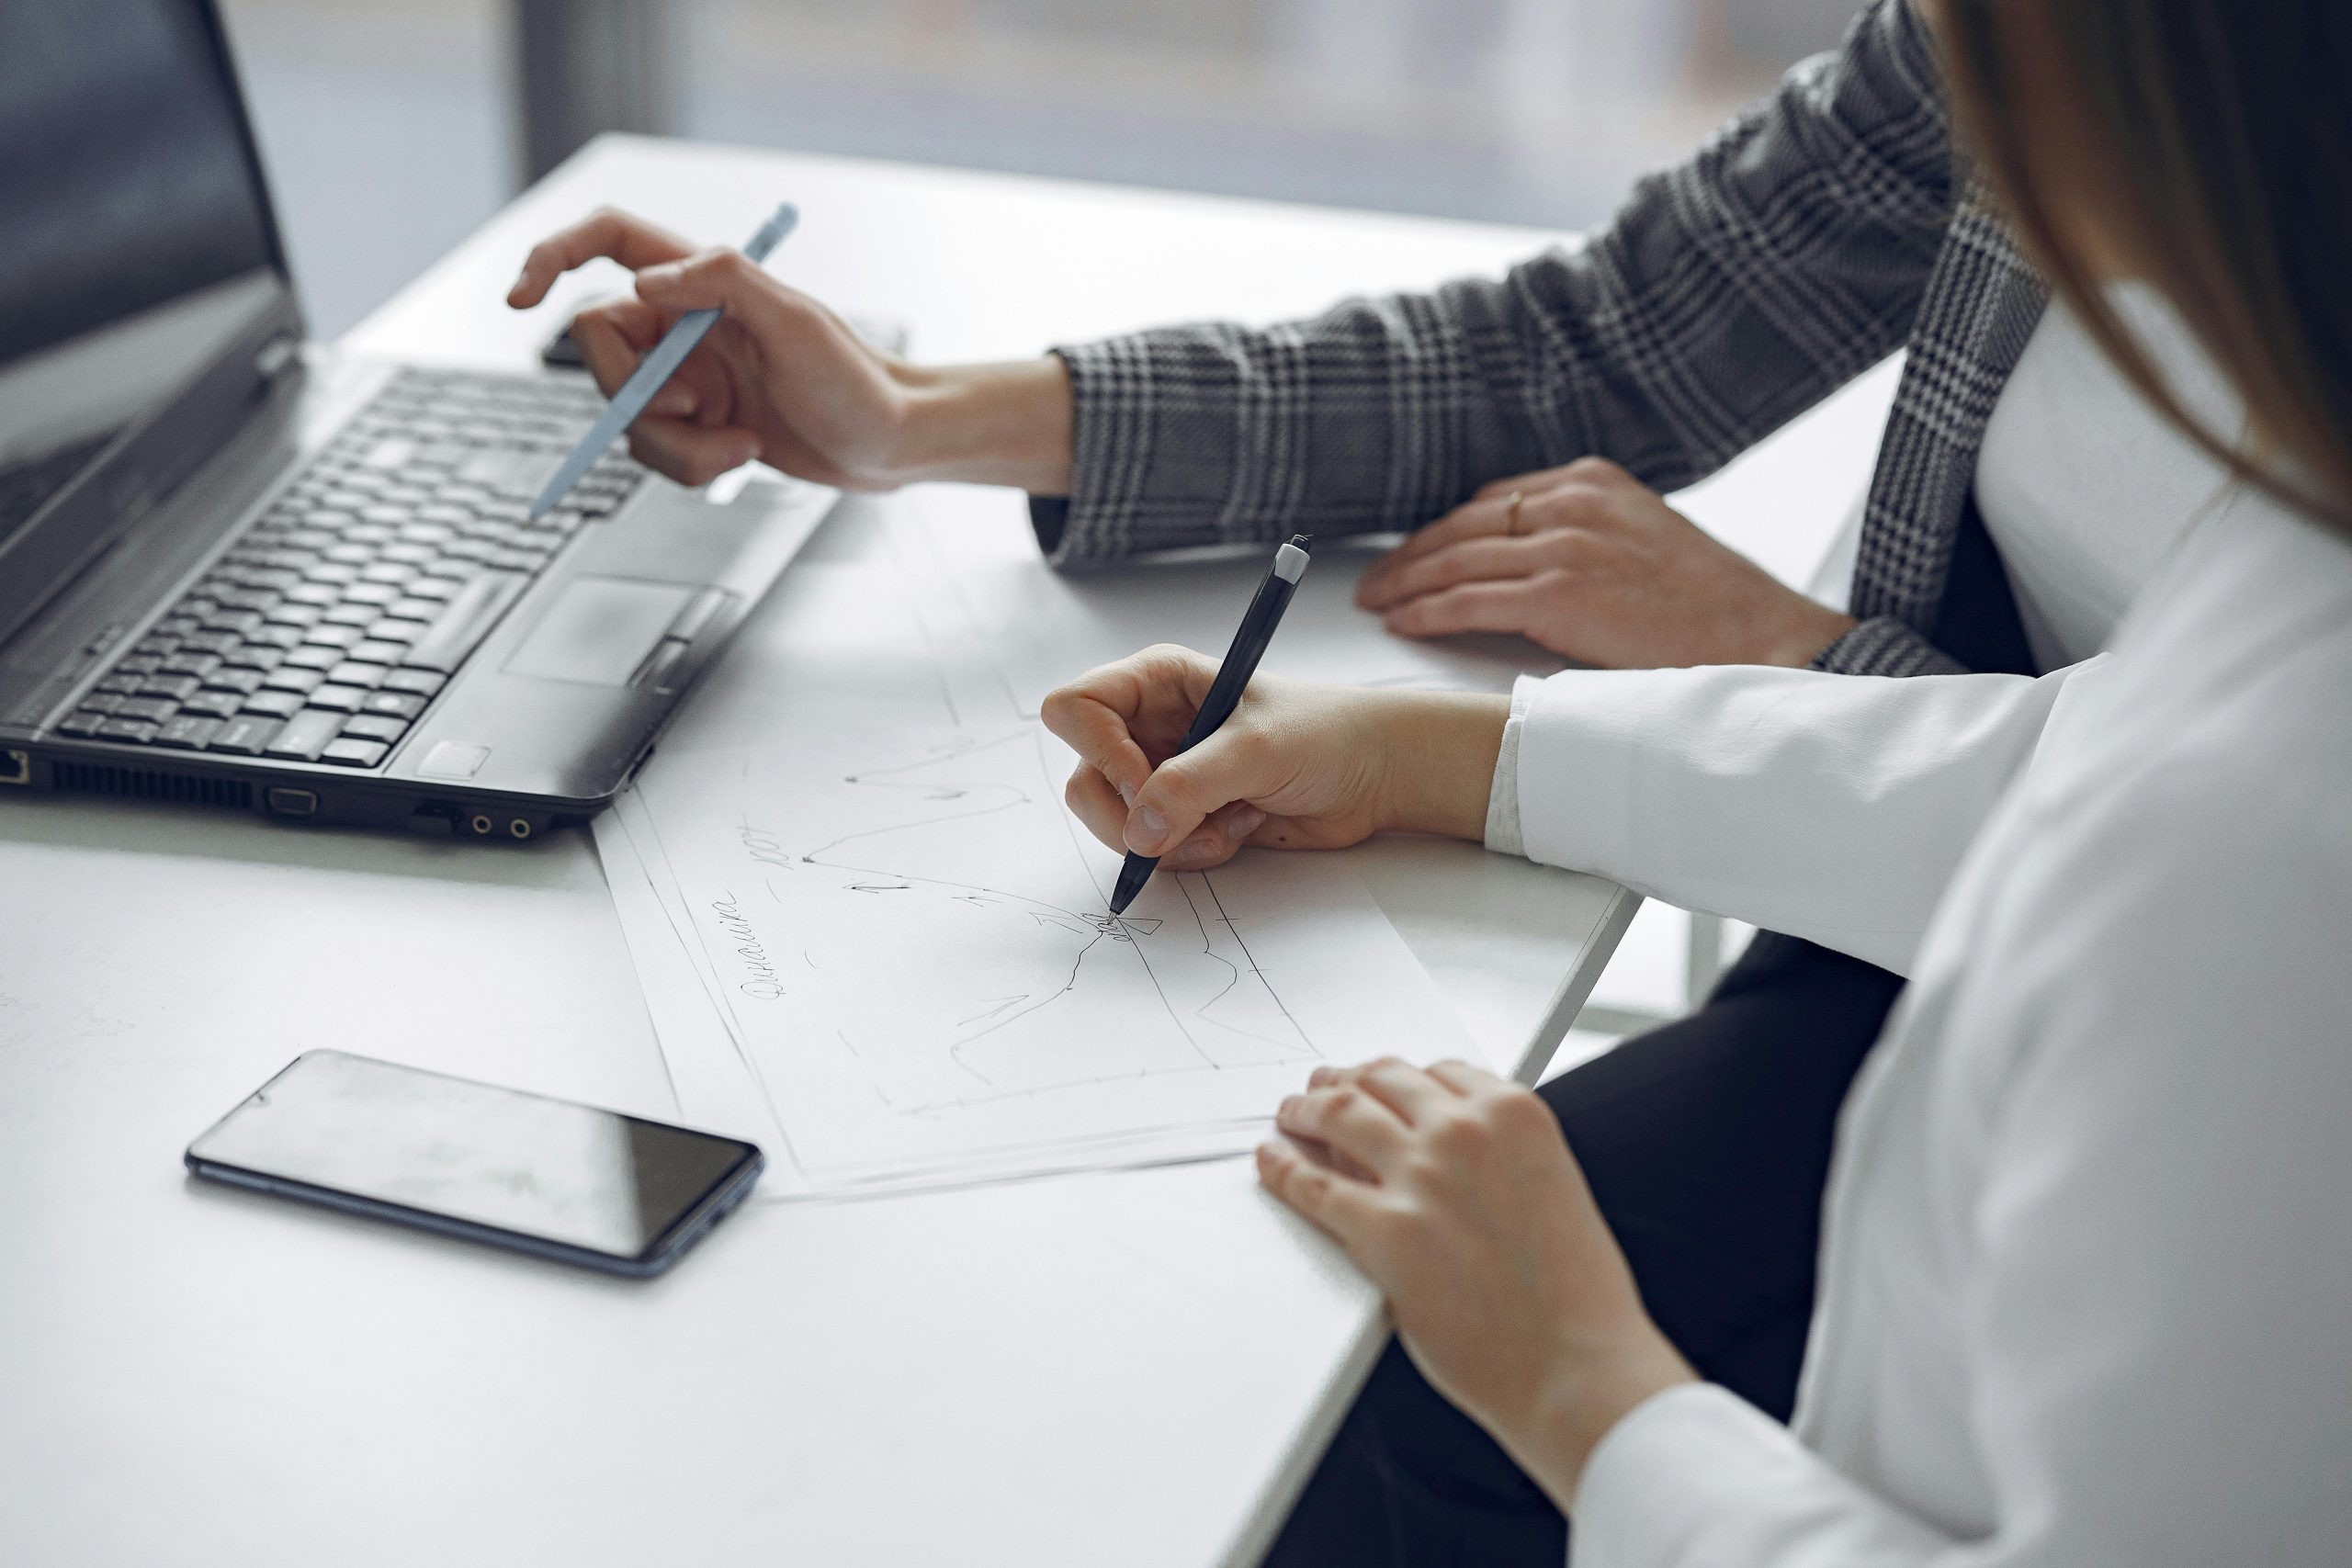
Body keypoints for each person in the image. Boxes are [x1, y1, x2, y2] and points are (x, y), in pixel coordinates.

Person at [496, 0, 2272, 1556]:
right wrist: (907, 412)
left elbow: (2187, 825)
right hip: (1918, 894)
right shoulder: (2039, 44)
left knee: (1353, 1359)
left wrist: (1783, 650)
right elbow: (1602, 341)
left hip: (2141, 1018)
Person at [1032, 0, 2352, 1560]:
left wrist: (1588, 1390)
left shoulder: (2281, 868)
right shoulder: (2296, 499)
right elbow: (2066, 769)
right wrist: (1440, 751)